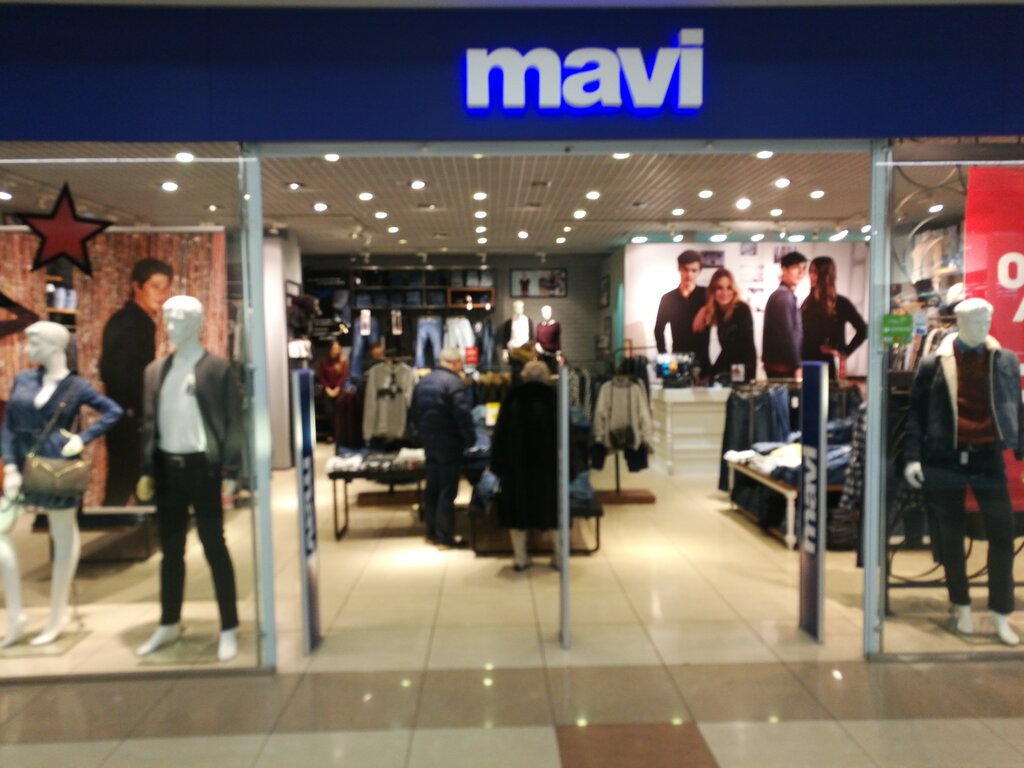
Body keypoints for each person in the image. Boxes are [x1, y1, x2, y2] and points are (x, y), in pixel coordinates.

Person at [904, 298, 1021, 646]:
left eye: (987, 320)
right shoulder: (933, 363)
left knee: (1002, 534)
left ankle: (1001, 612)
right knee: (950, 537)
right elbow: (916, 414)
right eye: (975, 321)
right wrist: (913, 457)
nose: (982, 327)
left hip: (988, 458)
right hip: (945, 458)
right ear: (959, 322)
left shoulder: (1004, 360)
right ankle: (961, 605)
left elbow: (1016, 407)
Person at [135, 296, 243, 662]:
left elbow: (233, 421)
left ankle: (228, 625)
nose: (171, 326)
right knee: (170, 551)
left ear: (197, 323)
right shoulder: (154, 371)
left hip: (203, 468)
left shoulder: (217, 369)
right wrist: (147, 469)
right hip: (168, 469)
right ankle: (169, 621)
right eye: (167, 318)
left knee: (214, 546)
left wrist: (232, 471)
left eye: (180, 319)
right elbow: (150, 424)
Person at [1, 321, 122, 647]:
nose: (28, 348)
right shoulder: (24, 379)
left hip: (57, 466)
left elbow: (112, 411)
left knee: (63, 533)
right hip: (22, 465)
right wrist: (9, 465)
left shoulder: (76, 386)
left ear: (55, 347)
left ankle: (57, 614)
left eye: (34, 343)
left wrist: (82, 438)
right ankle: (16, 615)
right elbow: (8, 426)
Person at [99, 258, 173, 505]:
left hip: (129, 417)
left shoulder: (137, 320)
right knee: (125, 484)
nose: (162, 294)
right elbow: (117, 374)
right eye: (155, 286)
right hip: (130, 420)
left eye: (166, 288)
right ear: (136, 286)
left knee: (131, 485)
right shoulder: (131, 322)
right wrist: (141, 409)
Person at [490, 360, 562, 571]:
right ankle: (559, 557)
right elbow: (566, 434)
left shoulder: (512, 398)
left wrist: (497, 465)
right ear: (546, 377)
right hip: (548, 466)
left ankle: (520, 558)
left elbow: (500, 434)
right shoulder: (554, 399)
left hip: (517, 466)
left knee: (517, 511)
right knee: (553, 511)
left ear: (523, 376)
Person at [409, 347, 475, 549]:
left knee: (433, 488)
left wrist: (420, 436)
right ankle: (444, 536)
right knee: (447, 489)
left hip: (429, 442)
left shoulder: (423, 382)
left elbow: (413, 412)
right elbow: (462, 415)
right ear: (455, 362)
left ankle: (431, 532)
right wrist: (470, 439)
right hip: (449, 442)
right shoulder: (454, 383)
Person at [801, 256, 867, 379]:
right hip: (807, 361)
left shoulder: (840, 303)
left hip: (827, 364)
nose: (811, 276)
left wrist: (844, 353)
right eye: (810, 271)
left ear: (825, 275)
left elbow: (863, 330)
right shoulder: (807, 302)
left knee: (828, 390)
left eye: (815, 272)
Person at [692, 268, 756, 383]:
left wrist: (710, 374)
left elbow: (732, 349)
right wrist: (703, 309)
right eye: (719, 288)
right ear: (713, 290)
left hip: (743, 368)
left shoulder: (741, 309)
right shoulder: (719, 311)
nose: (725, 293)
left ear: (734, 289)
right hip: (730, 368)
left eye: (729, 287)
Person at [653, 250, 710, 370]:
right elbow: (658, 329)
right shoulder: (668, 298)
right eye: (685, 269)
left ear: (699, 271)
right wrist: (664, 356)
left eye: (694, 270)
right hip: (677, 358)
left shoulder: (707, 295)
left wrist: (705, 309)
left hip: (702, 360)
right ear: (679, 268)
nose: (689, 274)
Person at [762, 251, 808, 379]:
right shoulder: (784, 297)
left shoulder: (784, 295)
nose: (800, 272)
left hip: (781, 364)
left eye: (803, 268)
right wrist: (797, 366)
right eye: (795, 267)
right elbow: (787, 335)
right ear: (784, 269)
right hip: (783, 367)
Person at [315, 340, 348, 443]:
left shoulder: (342, 362)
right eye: (334, 349)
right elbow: (321, 376)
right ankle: (332, 434)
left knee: (339, 412)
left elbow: (343, 376)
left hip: (339, 390)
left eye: (337, 349)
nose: (335, 351)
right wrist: (327, 388)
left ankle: (337, 435)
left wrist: (337, 388)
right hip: (327, 390)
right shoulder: (323, 362)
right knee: (329, 411)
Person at [534, 304, 562, 373]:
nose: (546, 314)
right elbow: (537, 339)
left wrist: (558, 354)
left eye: (548, 312)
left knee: (553, 373)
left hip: (552, 354)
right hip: (541, 354)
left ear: (551, 313)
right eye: (544, 312)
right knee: (542, 373)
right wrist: (537, 347)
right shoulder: (539, 326)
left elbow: (557, 340)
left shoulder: (556, 325)